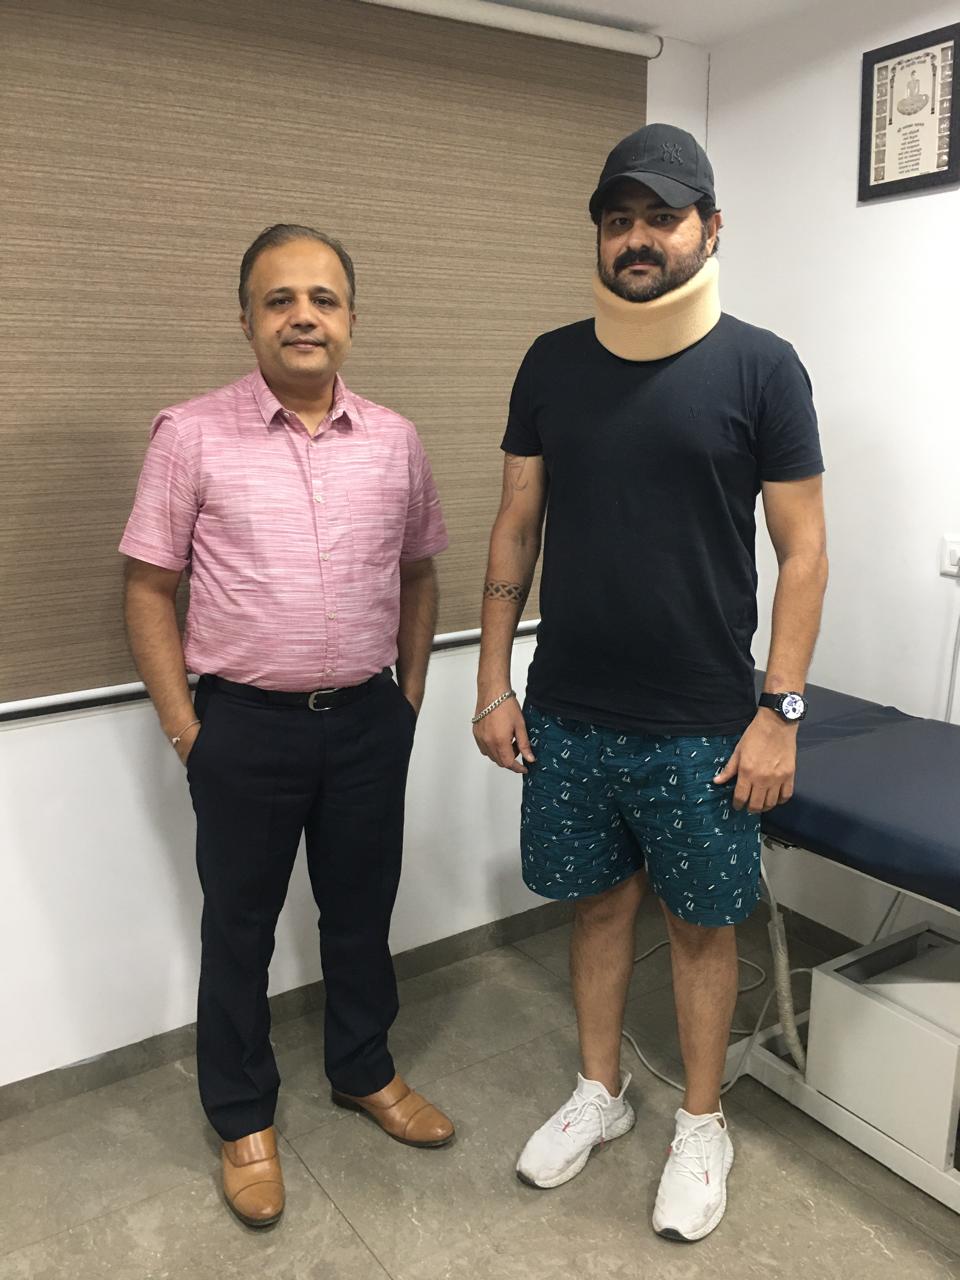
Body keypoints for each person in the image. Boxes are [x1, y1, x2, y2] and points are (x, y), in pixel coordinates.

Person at [473, 125, 827, 1242]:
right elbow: (516, 523)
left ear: (710, 230)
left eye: (661, 218)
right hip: (570, 707)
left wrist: (780, 711)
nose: (637, 238)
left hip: (701, 722)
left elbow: (805, 550)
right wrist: (491, 681)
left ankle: (703, 1121)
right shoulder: (549, 363)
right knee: (596, 907)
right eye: (618, 220)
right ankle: (601, 1091)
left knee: (702, 928)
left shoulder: (763, 367)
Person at [121, 224, 453, 1229]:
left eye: (323, 298)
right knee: (239, 926)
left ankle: (364, 1067)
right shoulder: (189, 434)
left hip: (366, 722)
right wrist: (188, 730)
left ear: (350, 317)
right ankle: (241, 1116)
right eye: (279, 299)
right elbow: (147, 589)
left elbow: (420, 574)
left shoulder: (396, 439)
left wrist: (406, 698)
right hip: (244, 730)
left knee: (361, 911)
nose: (303, 316)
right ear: (247, 320)